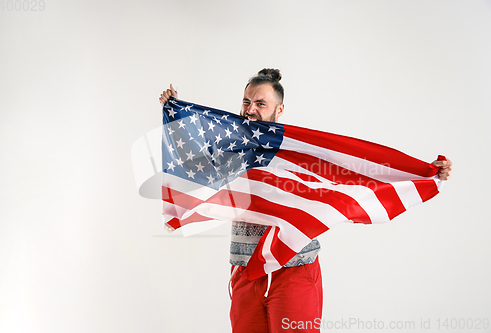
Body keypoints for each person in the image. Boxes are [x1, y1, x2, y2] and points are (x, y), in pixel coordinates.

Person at [159, 69, 453, 332]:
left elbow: (358, 171)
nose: (250, 110)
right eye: (247, 101)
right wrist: (176, 112)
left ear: (279, 108)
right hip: (246, 271)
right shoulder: (229, 149)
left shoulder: (298, 152)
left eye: (260, 103)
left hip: (295, 270)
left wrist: (423, 174)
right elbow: (192, 163)